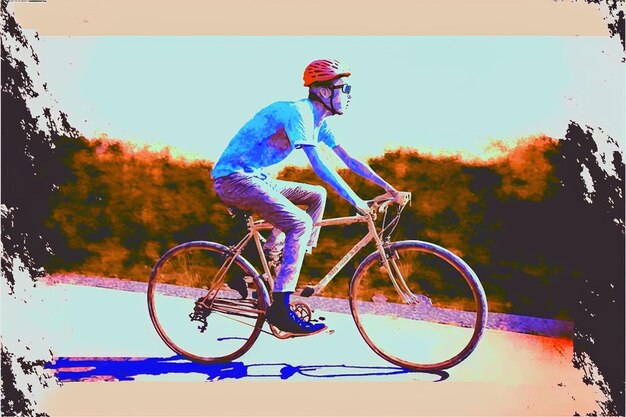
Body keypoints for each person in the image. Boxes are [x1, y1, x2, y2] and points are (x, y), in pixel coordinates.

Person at [212, 59, 401, 337]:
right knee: (300, 223)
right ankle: (280, 309)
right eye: (344, 88)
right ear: (324, 92)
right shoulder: (298, 113)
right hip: (234, 179)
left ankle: (270, 261)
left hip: (257, 179)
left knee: (316, 196)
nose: (348, 95)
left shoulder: (318, 121)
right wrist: (356, 201)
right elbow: (319, 165)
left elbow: (349, 159)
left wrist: (390, 189)